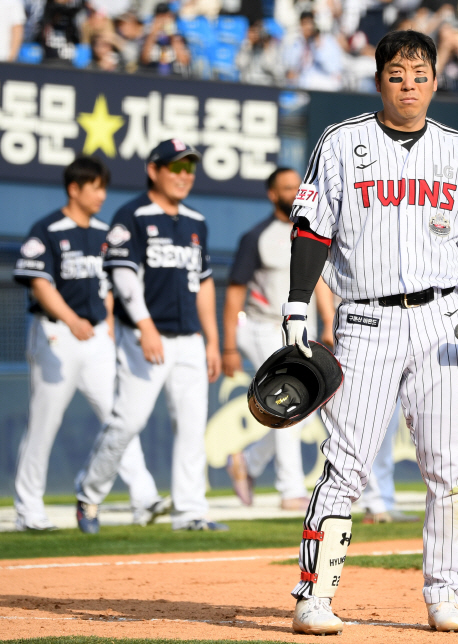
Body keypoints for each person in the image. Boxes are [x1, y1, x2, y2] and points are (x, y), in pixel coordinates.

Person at [282, 29, 458, 635]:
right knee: (345, 467)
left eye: (419, 74)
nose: (408, 84)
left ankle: (444, 594)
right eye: (396, 73)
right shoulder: (341, 142)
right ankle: (314, 594)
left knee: (448, 468)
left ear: (436, 80)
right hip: (364, 321)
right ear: (378, 78)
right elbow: (310, 229)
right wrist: (297, 306)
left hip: (442, 321)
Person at [74, 139, 226, 533]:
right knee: (128, 421)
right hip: (146, 335)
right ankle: (89, 495)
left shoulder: (196, 221)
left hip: (189, 338)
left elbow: (204, 284)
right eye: (175, 168)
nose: (184, 176)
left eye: (189, 168)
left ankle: (190, 511)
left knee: (193, 427)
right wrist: (145, 326)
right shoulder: (133, 215)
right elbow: (124, 277)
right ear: (153, 170)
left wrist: (211, 339)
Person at [13, 156, 169, 531]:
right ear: (74, 188)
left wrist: (110, 324)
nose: (101, 194)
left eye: (104, 186)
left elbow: (112, 286)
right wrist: (70, 319)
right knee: (44, 423)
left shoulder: (105, 232)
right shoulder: (48, 229)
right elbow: (39, 282)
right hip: (56, 335)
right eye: (94, 186)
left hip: (98, 336)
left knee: (119, 418)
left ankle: (144, 497)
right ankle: (29, 509)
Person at [222, 167, 335, 511]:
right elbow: (234, 293)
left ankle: (249, 463)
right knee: (290, 399)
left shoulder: (311, 230)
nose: (294, 192)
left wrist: (329, 324)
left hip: (301, 329)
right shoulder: (257, 236)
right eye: (286, 188)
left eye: (297, 186)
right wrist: (228, 345)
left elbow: (319, 283)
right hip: (263, 326)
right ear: (273, 195)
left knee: (303, 407)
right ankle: (290, 490)